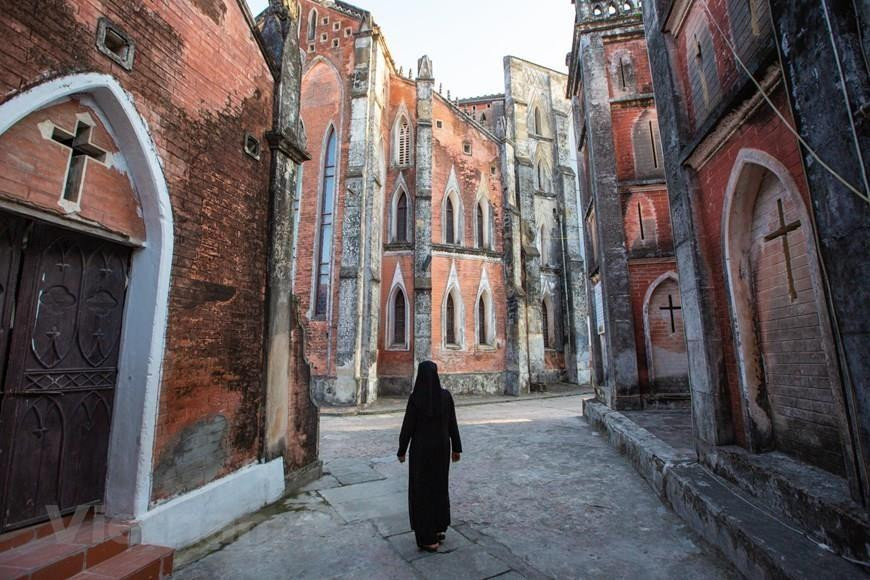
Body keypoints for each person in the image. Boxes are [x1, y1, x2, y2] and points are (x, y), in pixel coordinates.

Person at [397, 361, 462, 552]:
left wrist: (402, 450)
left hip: (421, 453)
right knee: (439, 487)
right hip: (442, 450)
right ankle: (439, 528)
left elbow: (407, 426)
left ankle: (427, 537)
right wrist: (456, 448)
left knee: (422, 491)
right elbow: (453, 424)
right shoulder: (445, 396)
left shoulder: (416, 399)